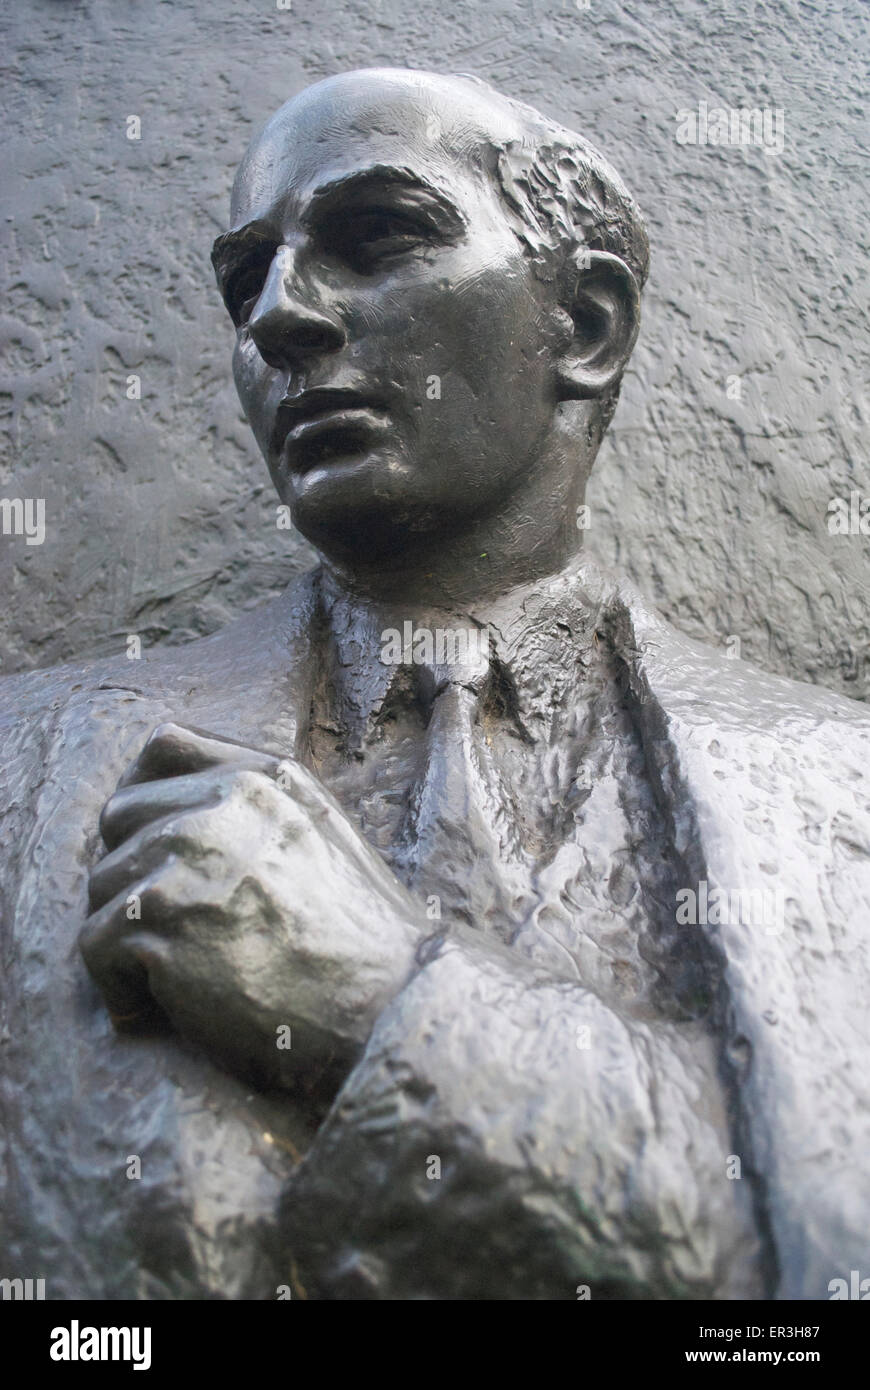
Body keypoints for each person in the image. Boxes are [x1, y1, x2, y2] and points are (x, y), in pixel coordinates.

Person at [1, 69, 867, 1300]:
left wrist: (381, 1002)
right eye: (247, 280)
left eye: (377, 238)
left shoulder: (838, 797)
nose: (277, 318)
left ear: (585, 326)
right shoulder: (26, 767)